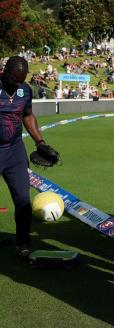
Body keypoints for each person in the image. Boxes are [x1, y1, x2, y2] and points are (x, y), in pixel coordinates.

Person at [0, 56, 47, 259]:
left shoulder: (25, 90)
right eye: (14, 79)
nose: (17, 83)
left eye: (21, 79)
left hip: (14, 151)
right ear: (4, 71)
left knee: (22, 199)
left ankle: (23, 244)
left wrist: (40, 142)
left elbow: (27, 115)